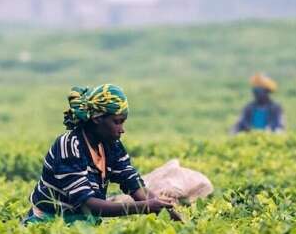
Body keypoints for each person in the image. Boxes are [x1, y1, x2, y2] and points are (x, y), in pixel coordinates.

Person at [23, 84, 181, 224]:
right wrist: (144, 207)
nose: (122, 129)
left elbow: (132, 183)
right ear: (97, 119)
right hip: (51, 221)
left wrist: (166, 211)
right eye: (117, 122)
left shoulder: (112, 145)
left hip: (85, 220)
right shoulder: (69, 146)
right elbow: (87, 203)